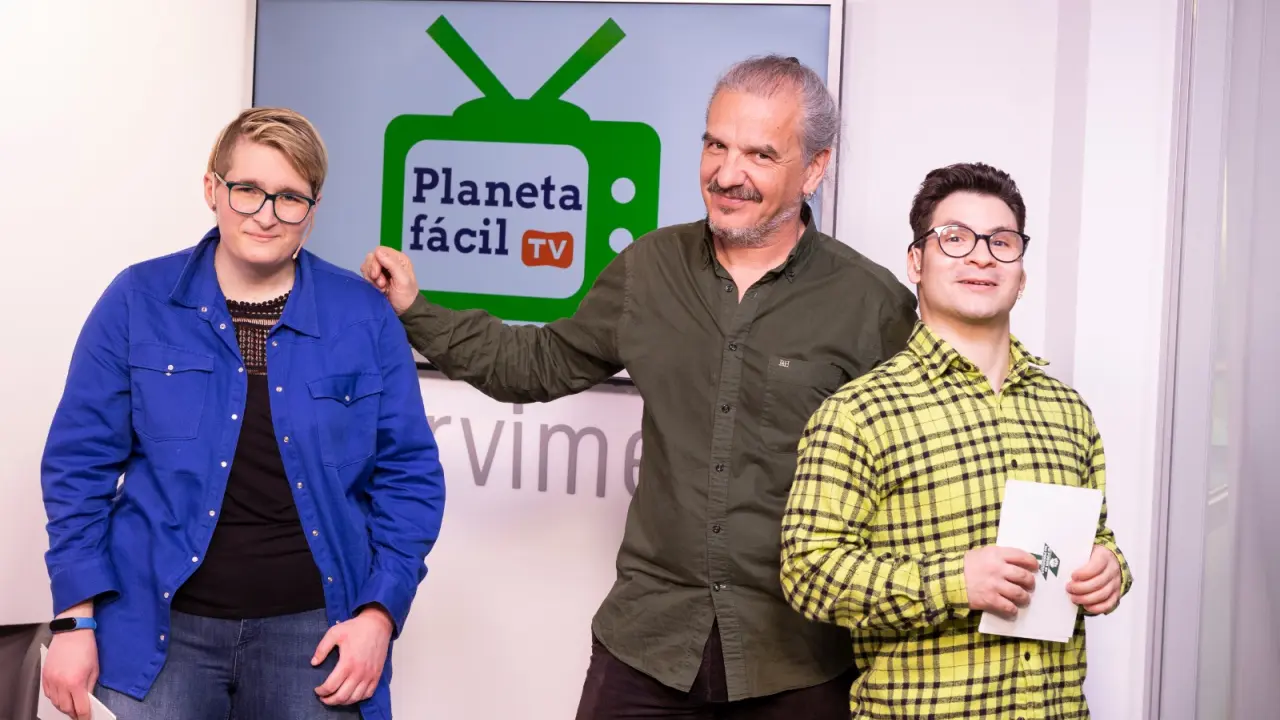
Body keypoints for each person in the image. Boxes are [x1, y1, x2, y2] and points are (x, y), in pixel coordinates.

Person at [360, 55, 918, 718]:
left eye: (760, 155)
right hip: (652, 642)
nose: (727, 174)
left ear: (815, 168)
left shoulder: (872, 304)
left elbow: (920, 474)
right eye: (716, 145)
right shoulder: (650, 268)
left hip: (799, 661)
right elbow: (537, 362)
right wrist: (416, 310)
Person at [39, 107, 446, 720]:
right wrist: (74, 620)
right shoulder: (137, 300)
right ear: (212, 189)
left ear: (313, 209)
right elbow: (77, 468)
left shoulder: (364, 315)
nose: (266, 214)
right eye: (248, 189)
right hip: (155, 630)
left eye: (290, 198)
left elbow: (409, 477)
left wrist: (380, 614)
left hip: (315, 634)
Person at [779, 162, 1134, 718]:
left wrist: (1111, 569)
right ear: (916, 263)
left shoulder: (1068, 412)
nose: (981, 256)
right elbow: (809, 573)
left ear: (1021, 273)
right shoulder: (860, 413)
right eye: (955, 238)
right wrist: (954, 583)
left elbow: (1098, 540)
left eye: (1002, 242)